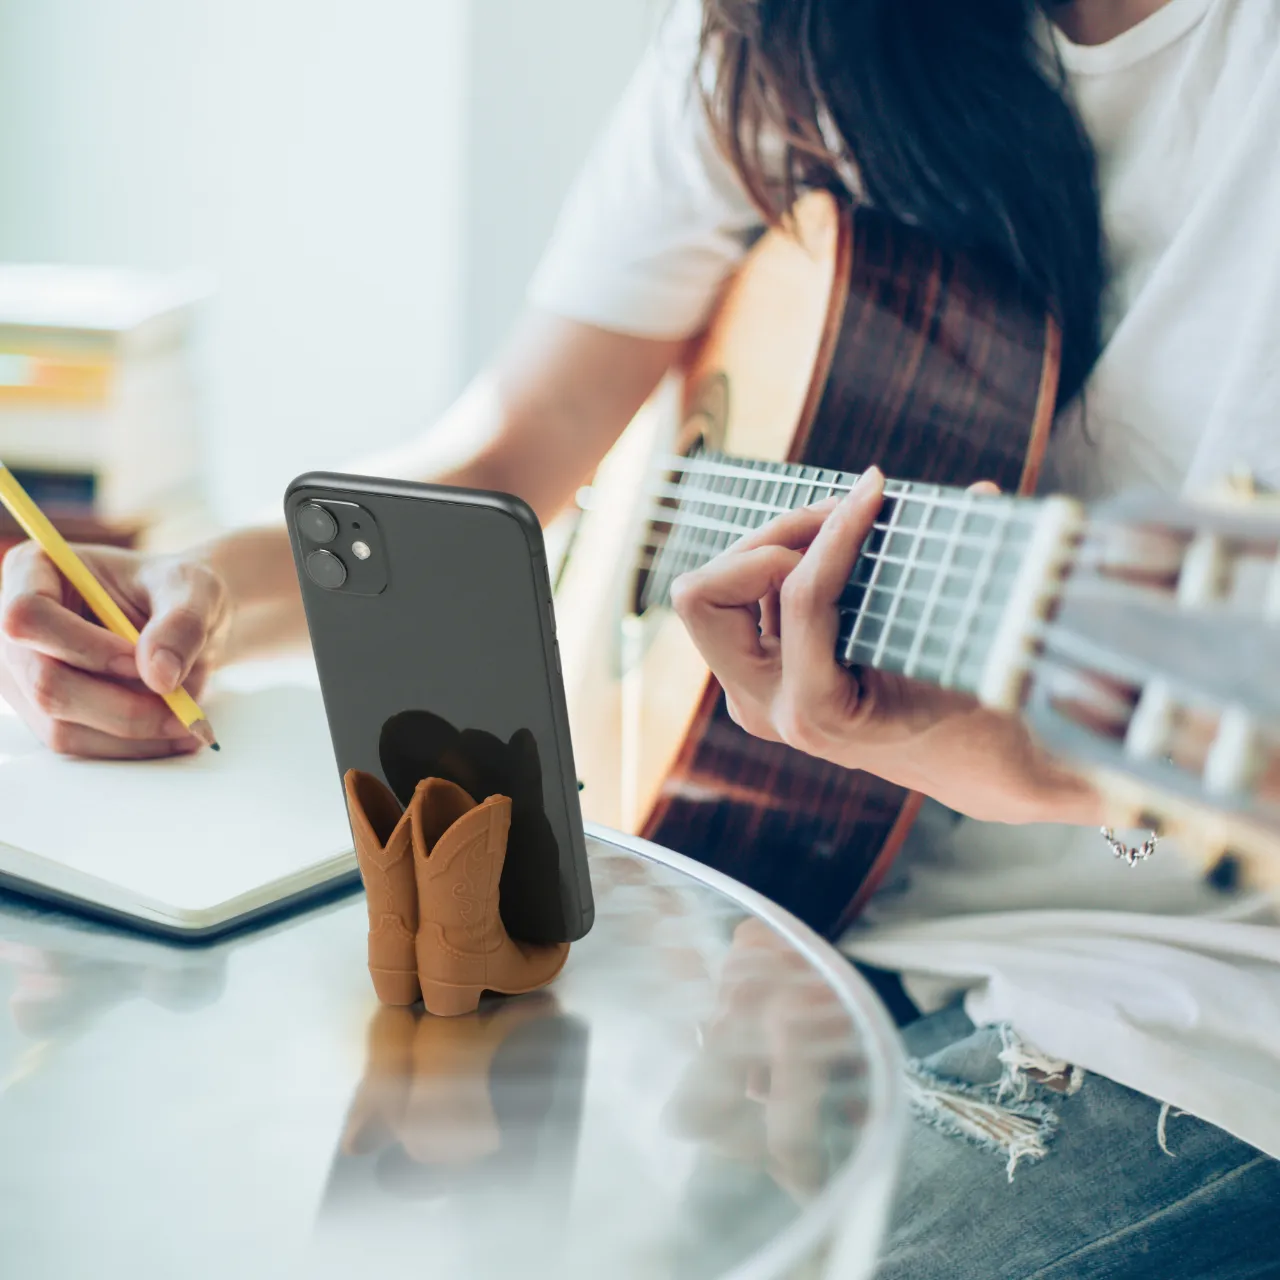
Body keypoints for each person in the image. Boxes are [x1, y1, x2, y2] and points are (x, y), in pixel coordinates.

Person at [2, 0, 1278, 1273]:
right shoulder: (781, 35)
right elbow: (522, 449)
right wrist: (203, 587)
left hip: (1186, 989)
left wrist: (1054, 771)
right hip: (773, 900)